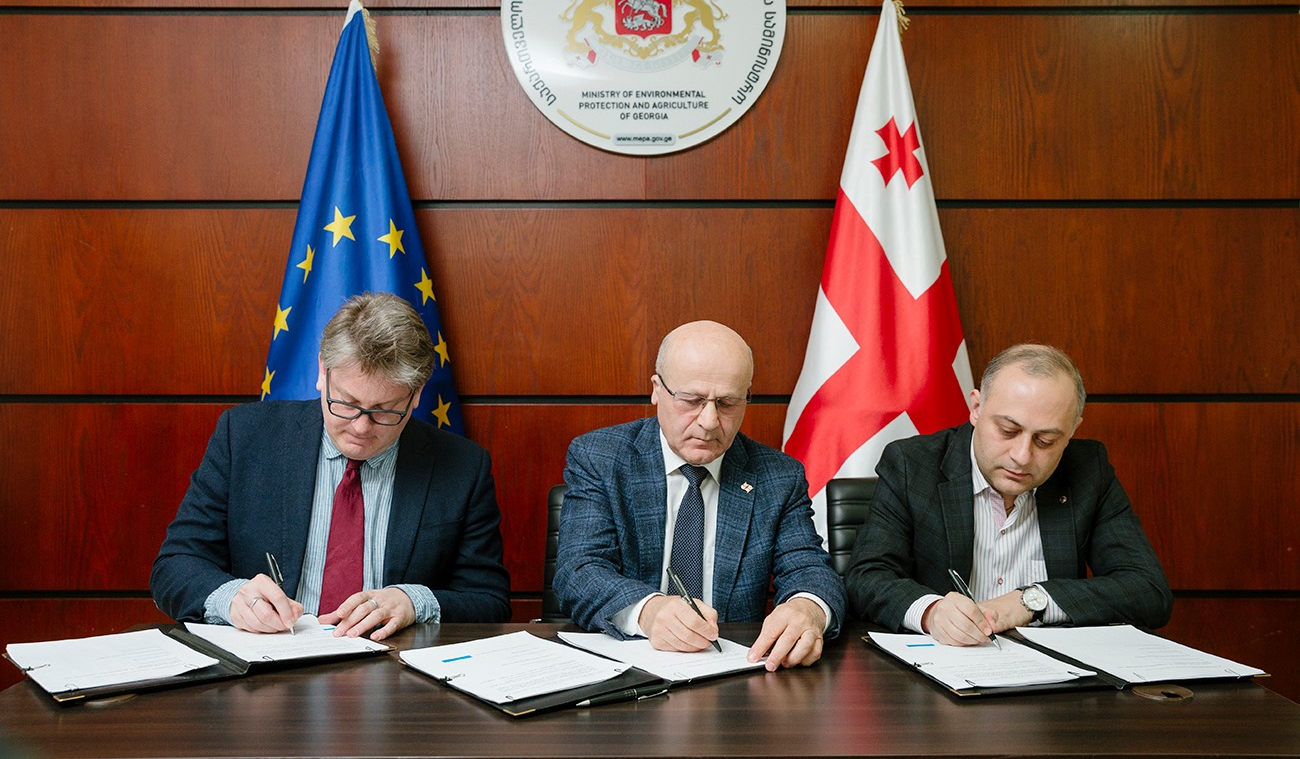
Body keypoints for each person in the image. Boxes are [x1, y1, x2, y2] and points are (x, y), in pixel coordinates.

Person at [151, 292, 510, 640]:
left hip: (393, 669)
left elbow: (490, 602)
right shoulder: (245, 437)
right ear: (323, 371)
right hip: (269, 666)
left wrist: (414, 602)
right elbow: (175, 565)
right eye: (347, 403)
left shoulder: (463, 467)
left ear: (416, 394)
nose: (361, 427)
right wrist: (231, 598)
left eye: (384, 411)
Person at [555, 320, 845, 670]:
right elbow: (579, 571)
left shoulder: (778, 476)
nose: (709, 422)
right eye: (692, 400)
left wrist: (808, 608)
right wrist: (648, 611)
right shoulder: (601, 458)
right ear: (657, 390)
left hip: (734, 674)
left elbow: (809, 568)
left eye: (727, 403)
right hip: (629, 673)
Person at [845, 344, 1172, 645]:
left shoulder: (1088, 471)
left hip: (1053, 678)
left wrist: (1030, 601)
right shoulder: (913, 465)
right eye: (1007, 430)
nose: (1022, 456)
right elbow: (867, 577)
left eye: (1045, 441)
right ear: (976, 408)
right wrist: (931, 612)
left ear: (1072, 431)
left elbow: (1148, 590)